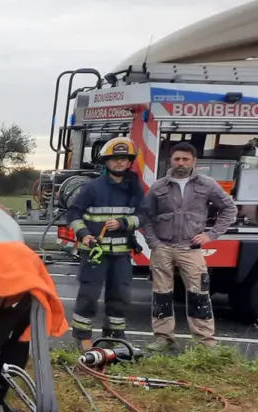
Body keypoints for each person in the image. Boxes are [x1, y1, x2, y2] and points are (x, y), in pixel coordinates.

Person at [139, 141, 237, 351]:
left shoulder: (207, 184)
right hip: (163, 247)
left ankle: (205, 342)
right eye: (177, 159)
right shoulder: (159, 187)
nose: (181, 163)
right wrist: (153, 243)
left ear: (194, 161)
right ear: (171, 161)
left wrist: (211, 235)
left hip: (190, 248)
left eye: (185, 159)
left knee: (199, 294)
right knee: (161, 294)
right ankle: (163, 338)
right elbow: (145, 216)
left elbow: (229, 208)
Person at [61, 137, 146, 350]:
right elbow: (73, 213)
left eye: (124, 158)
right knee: (89, 295)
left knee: (120, 296)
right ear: (106, 162)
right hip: (94, 252)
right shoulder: (92, 188)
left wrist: (123, 223)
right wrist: (84, 234)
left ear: (130, 162)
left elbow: (144, 215)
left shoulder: (134, 188)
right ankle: (82, 336)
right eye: (114, 158)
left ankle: (115, 336)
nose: (119, 162)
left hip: (121, 254)